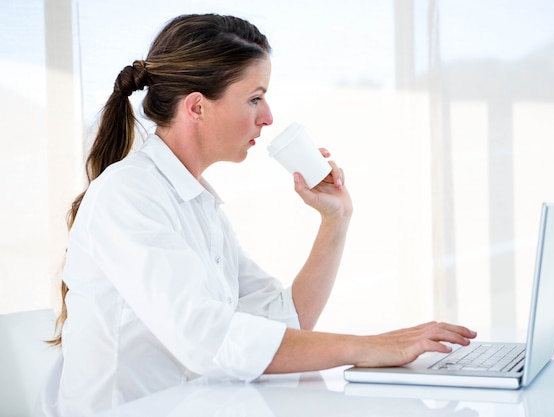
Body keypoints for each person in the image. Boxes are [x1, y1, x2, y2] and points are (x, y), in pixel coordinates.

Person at [40, 13, 476, 416]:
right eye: (254, 98)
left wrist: (335, 221)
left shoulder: (198, 204)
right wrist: (369, 347)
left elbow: (287, 321)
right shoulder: (127, 193)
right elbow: (206, 340)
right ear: (197, 107)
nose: (267, 117)